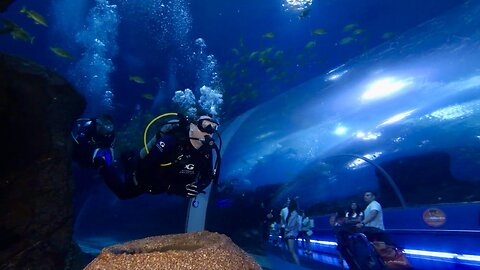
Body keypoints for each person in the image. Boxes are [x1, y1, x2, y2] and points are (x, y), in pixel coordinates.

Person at [98, 113, 221, 200]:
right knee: (123, 192)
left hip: (161, 186)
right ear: (193, 126)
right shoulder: (170, 141)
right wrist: (173, 188)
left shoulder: (205, 151)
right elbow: (145, 169)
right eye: (206, 125)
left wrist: (197, 188)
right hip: (143, 178)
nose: (209, 131)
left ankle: (124, 157)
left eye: (214, 127)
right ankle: (103, 162)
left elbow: (208, 176)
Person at [285, 199, 301, 265]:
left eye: (289, 202)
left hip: (291, 233)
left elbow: (291, 224)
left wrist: (286, 231)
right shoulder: (292, 212)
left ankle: (298, 266)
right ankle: (296, 265)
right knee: (290, 250)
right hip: (290, 233)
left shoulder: (294, 213)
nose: (287, 204)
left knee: (292, 251)